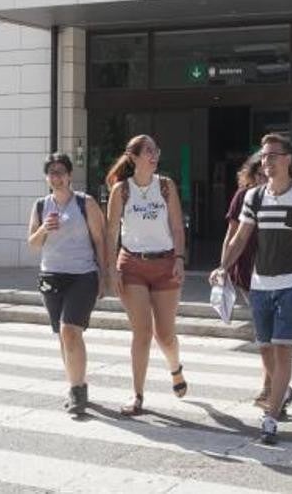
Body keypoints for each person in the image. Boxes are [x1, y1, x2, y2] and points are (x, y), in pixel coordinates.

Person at [212, 133, 292, 445]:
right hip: (260, 285)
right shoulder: (255, 197)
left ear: (288, 159)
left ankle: (271, 418)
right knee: (265, 348)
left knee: (281, 348)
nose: (267, 162)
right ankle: (284, 389)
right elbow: (239, 238)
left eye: (274, 156)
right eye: (264, 157)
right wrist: (223, 267)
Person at [104, 134, 188, 416]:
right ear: (134, 157)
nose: (154, 155)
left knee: (165, 335)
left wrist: (179, 257)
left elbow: (177, 226)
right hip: (132, 265)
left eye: (156, 150)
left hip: (165, 264)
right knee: (142, 332)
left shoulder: (165, 186)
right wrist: (112, 268)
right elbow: (111, 231)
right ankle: (137, 395)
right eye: (148, 151)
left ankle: (175, 368)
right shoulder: (121, 190)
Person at [27, 152, 110, 415]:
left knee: (70, 331)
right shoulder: (41, 206)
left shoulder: (86, 203)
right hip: (51, 276)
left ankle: (77, 391)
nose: (57, 177)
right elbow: (33, 244)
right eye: (52, 172)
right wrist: (43, 230)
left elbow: (100, 240)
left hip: (82, 275)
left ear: (70, 175)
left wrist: (105, 275)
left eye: (61, 172)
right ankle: (76, 383)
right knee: (64, 336)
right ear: (46, 177)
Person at [221, 153, 271, 408]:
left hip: (281, 274)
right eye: (259, 173)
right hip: (249, 273)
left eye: (268, 173)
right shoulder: (243, 197)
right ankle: (270, 385)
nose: (264, 178)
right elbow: (232, 235)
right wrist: (223, 267)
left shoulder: (288, 196)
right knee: (264, 330)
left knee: (272, 334)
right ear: (251, 174)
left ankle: (275, 382)